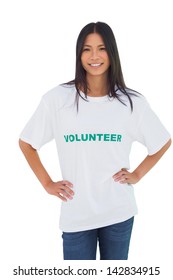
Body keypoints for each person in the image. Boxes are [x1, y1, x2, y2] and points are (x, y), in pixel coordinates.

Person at [19, 21, 171, 260]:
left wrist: (138, 174)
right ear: (79, 55)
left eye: (101, 48)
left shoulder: (132, 103)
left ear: (112, 52)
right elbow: (27, 142)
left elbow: (162, 141)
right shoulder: (58, 99)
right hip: (76, 214)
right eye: (87, 49)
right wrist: (47, 184)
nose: (94, 56)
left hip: (118, 213)